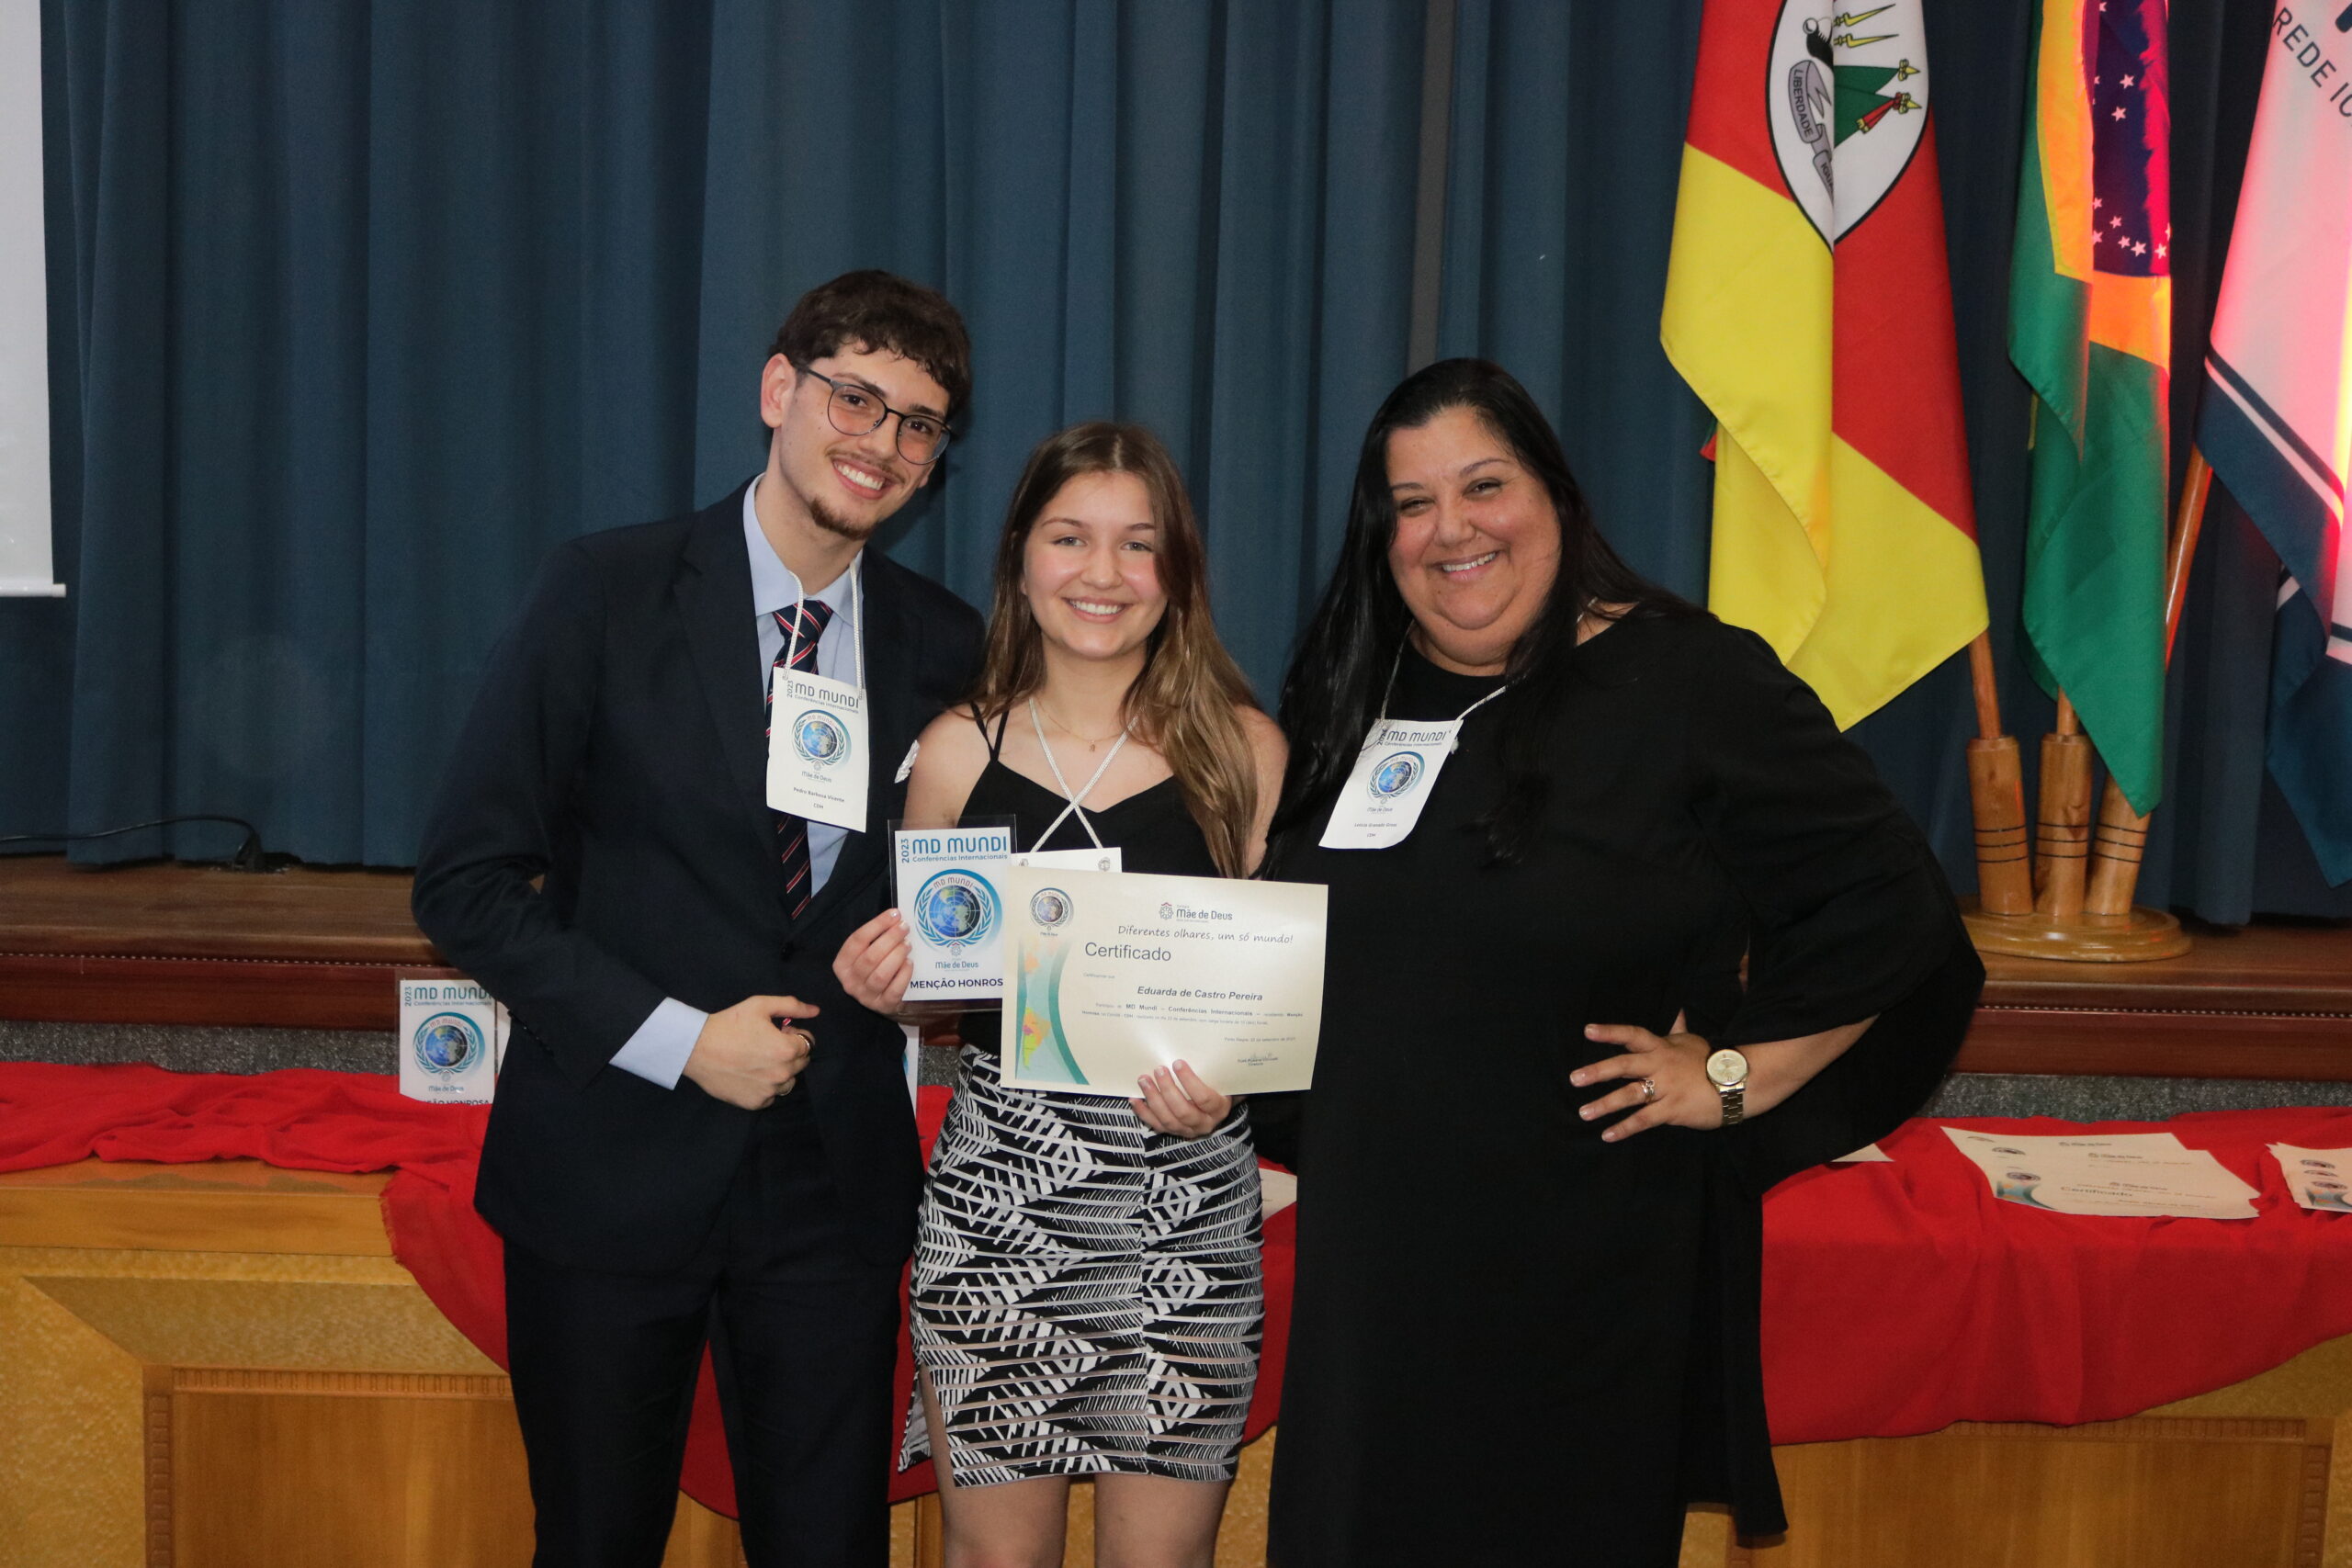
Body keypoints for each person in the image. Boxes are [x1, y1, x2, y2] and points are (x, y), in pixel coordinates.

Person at [1253, 359, 1984, 1566]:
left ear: (1555, 494)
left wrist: (1736, 1074)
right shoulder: (1352, 689)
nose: (1452, 529)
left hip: (1580, 1271)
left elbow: (1890, 904)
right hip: (1376, 1277)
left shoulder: (1691, 678)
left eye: (1484, 485)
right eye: (1413, 503)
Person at [412, 270, 985, 1568]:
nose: (882, 442)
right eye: (855, 398)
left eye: (918, 423)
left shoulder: (946, 644)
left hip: (831, 1185)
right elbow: (465, 882)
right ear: (779, 390)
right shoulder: (604, 591)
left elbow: (955, 904)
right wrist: (680, 1038)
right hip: (611, 1161)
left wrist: (931, 974)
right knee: (598, 1540)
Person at [831, 422, 1286, 1568]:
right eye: (1070, 537)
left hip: (1184, 1207)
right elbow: (935, 985)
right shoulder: (953, 751)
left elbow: (1268, 1000)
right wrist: (885, 987)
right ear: (1020, 559)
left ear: (1177, 569)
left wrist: (1230, 1088)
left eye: (1138, 543)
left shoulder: (1246, 753)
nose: (1102, 573)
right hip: (1001, 1207)